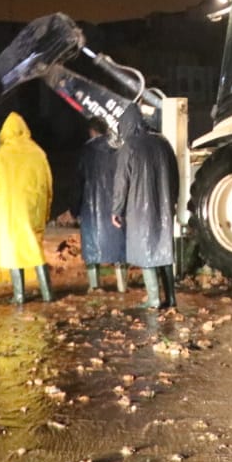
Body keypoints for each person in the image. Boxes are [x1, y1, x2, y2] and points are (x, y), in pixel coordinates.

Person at [110, 103, 180, 310]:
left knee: (145, 249)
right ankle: (171, 298)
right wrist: (173, 200)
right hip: (164, 206)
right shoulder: (163, 143)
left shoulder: (129, 147)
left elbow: (122, 181)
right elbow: (175, 176)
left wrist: (117, 209)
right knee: (163, 250)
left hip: (140, 209)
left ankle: (154, 298)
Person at [0, 111, 53, 304]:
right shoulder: (38, 152)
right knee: (35, 251)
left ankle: (19, 295)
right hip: (32, 210)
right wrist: (46, 211)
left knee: (13, 252)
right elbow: (48, 184)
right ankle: (47, 293)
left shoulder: (0, 154)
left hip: (9, 212)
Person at [77, 119, 127, 292]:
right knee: (118, 246)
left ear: (91, 131)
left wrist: (75, 208)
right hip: (115, 205)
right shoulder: (117, 149)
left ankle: (95, 285)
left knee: (92, 247)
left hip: (91, 207)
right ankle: (122, 285)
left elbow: (79, 181)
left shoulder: (86, 151)